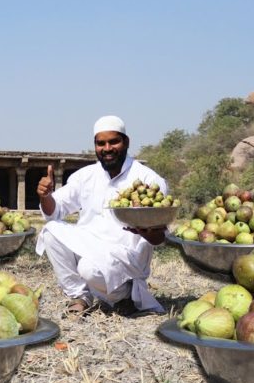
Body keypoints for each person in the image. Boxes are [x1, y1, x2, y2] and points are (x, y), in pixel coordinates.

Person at [35, 115, 168, 316]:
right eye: (101, 143)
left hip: (126, 256)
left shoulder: (148, 180)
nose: (107, 148)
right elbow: (55, 210)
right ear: (95, 145)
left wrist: (145, 230)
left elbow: (159, 238)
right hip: (91, 246)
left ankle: (126, 295)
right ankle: (80, 295)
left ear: (126, 142)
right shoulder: (85, 176)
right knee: (51, 231)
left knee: (89, 268)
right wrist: (45, 196)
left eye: (113, 141)